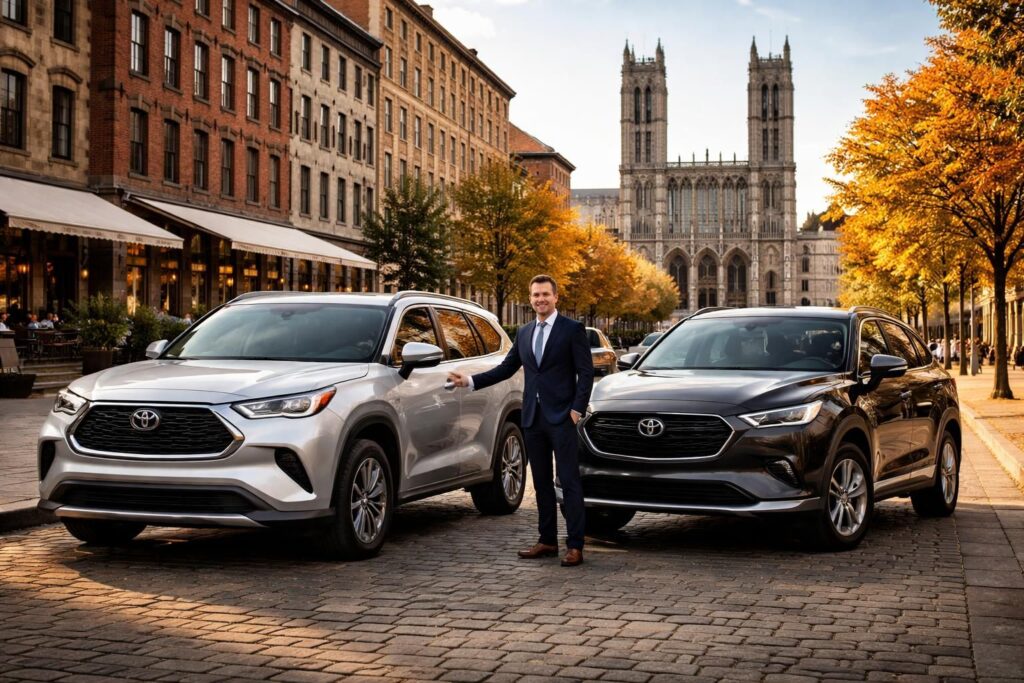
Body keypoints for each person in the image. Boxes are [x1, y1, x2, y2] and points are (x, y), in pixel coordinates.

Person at [447, 275, 595, 567]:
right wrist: (470, 381)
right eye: (535, 295)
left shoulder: (572, 329)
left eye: (545, 295)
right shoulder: (525, 332)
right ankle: (547, 540)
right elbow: (505, 368)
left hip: (562, 418)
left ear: (556, 298)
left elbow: (586, 373)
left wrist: (576, 410)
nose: (540, 299)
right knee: (540, 483)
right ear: (531, 299)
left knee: (569, 482)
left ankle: (575, 545)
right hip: (533, 419)